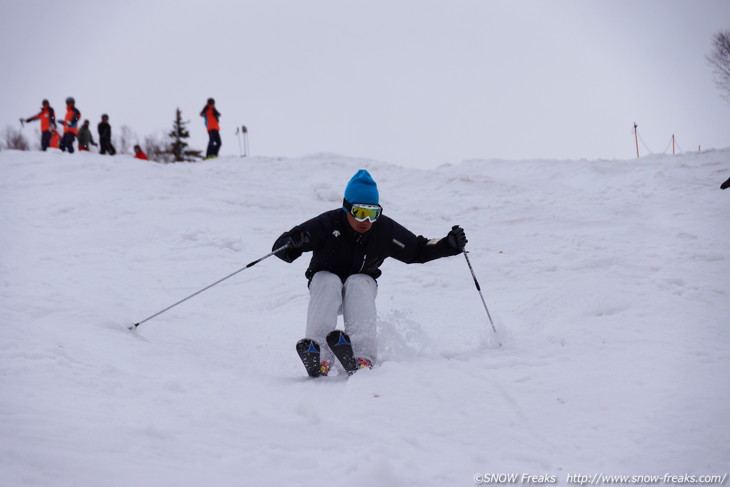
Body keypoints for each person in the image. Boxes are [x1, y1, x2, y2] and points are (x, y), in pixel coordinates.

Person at [272, 169, 468, 377]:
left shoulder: (384, 230)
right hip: (324, 287)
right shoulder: (327, 224)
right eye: (360, 212)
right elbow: (280, 247)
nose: (366, 220)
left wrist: (448, 245)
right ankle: (319, 355)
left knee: (359, 282)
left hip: (361, 290)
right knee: (326, 280)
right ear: (347, 208)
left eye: (372, 213)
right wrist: (291, 243)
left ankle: (362, 356)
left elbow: (417, 250)